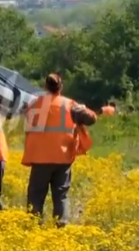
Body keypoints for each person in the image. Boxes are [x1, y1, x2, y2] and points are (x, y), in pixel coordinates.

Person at [22, 73, 97, 227]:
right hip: (63, 157)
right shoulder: (69, 105)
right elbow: (92, 118)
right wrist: (83, 108)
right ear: (61, 87)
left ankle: (34, 226)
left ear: (45, 87)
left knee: (36, 195)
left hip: (40, 157)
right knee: (61, 195)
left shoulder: (34, 104)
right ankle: (61, 226)